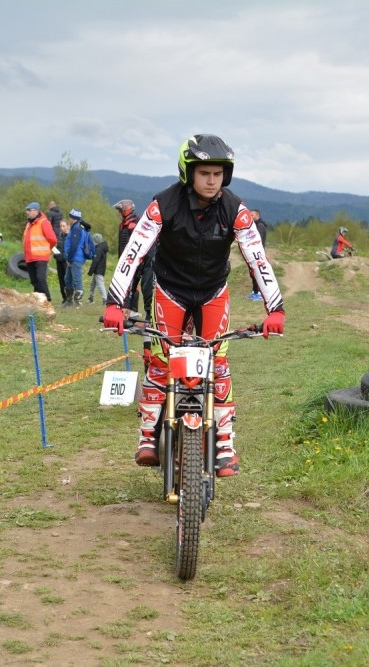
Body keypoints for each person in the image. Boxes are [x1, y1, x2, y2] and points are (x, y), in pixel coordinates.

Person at [102, 133, 286, 478]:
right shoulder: (163, 204)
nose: (212, 180)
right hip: (170, 290)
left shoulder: (235, 209)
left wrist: (275, 309)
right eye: (204, 173)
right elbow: (133, 253)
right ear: (188, 172)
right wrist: (115, 303)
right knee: (161, 361)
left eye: (218, 174)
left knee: (218, 363)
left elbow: (257, 259)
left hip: (213, 293)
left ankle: (224, 444)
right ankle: (147, 435)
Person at [21, 201, 58, 302]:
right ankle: (38, 301)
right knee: (34, 281)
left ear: (36, 211)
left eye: (29, 210)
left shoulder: (44, 222)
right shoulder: (29, 224)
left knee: (41, 279)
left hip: (40, 257)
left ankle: (47, 299)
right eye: (27, 210)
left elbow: (53, 239)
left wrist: (48, 250)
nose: (27, 212)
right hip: (30, 257)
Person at [114, 199, 145, 313]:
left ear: (125, 211)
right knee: (126, 284)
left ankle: (133, 310)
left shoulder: (134, 224)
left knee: (133, 285)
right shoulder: (123, 225)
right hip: (124, 260)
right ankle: (127, 307)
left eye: (119, 211)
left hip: (134, 260)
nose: (118, 214)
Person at [62, 208, 92, 306]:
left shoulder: (77, 228)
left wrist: (69, 258)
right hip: (75, 257)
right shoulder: (79, 227)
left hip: (75, 258)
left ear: (73, 217)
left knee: (76, 280)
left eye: (70, 216)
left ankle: (78, 302)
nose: (69, 218)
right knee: (68, 279)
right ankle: (69, 301)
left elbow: (74, 245)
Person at [248, 209, 267, 300]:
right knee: (253, 273)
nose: (250, 217)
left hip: (257, 254)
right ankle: (255, 291)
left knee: (258, 273)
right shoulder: (254, 225)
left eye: (252, 215)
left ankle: (259, 293)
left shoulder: (260, 226)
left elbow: (258, 240)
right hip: (253, 253)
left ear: (257, 215)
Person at [86, 233, 109, 305]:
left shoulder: (98, 249)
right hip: (99, 270)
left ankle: (105, 299)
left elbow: (95, 261)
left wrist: (90, 271)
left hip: (98, 270)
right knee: (93, 284)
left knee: (100, 284)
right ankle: (91, 297)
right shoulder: (101, 248)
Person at [53, 218, 69, 305]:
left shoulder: (70, 237)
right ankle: (64, 298)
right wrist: (55, 254)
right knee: (61, 279)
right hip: (59, 261)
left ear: (68, 226)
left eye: (63, 226)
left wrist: (65, 257)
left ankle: (69, 298)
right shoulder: (59, 236)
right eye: (61, 226)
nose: (62, 228)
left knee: (67, 280)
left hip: (66, 261)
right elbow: (56, 248)